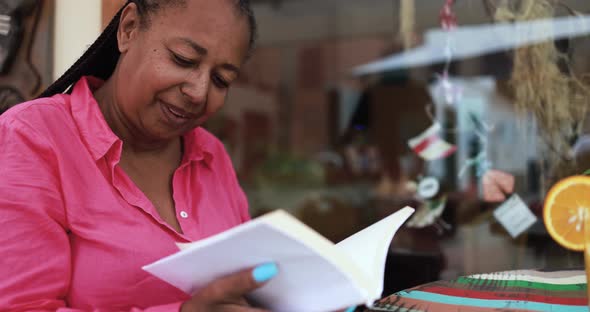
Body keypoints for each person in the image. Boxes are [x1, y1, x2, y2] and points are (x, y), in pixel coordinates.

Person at [0, 0, 281, 311]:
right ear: (129, 29)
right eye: (183, 59)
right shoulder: (32, 137)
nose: (199, 92)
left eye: (221, 80)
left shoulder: (211, 155)